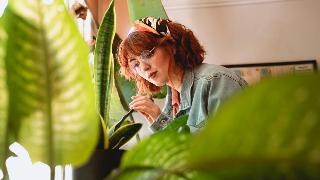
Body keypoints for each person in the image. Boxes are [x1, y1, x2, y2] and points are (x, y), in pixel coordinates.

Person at [118, 17, 247, 132]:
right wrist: (159, 123)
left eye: (148, 54)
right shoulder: (172, 102)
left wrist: (161, 121)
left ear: (171, 45)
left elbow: (228, 151)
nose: (144, 67)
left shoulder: (216, 81)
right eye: (135, 64)